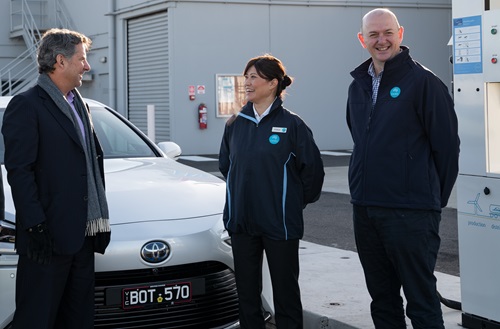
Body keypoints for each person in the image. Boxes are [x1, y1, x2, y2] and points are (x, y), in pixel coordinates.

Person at [346, 8, 460, 329]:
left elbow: (447, 149)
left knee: (421, 302)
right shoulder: (358, 86)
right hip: (366, 211)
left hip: (411, 213)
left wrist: (430, 203)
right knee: (382, 301)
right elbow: (360, 141)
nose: (381, 40)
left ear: (400, 33)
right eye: (373, 34)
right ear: (362, 40)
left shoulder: (424, 83)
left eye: (387, 33)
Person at [2, 28, 111, 329]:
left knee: (78, 321)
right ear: (60, 61)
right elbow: (19, 171)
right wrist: (36, 226)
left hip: (82, 238)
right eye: (82, 59)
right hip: (46, 240)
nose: (87, 66)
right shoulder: (26, 105)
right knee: (37, 320)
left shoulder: (80, 105)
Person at [219, 54, 324, 329]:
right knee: (247, 296)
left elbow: (312, 174)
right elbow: (226, 166)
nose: (247, 83)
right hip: (242, 223)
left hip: (281, 225)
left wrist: (290, 204)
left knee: (286, 295)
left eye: (254, 77)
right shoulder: (235, 124)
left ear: (273, 83)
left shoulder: (293, 125)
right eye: (246, 77)